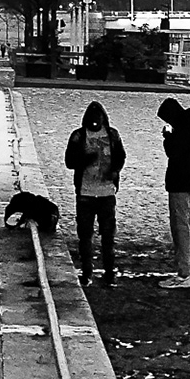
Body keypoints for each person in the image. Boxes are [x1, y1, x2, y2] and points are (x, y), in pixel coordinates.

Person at [63, 101, 126, 287]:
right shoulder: (78, 136)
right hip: (85, 193)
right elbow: (69, 161)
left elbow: (121, 156)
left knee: (108, 235)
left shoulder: (112, 135)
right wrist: (85, 159)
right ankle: (87, 272)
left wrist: (114, 171)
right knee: (85, 235)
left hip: (107, 192)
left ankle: (109, 271)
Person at [157, 96, 190, 288]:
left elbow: (175, 153)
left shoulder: (181, 128)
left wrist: (167, 136)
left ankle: (184, 274)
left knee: (181, 227)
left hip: (180, 183)